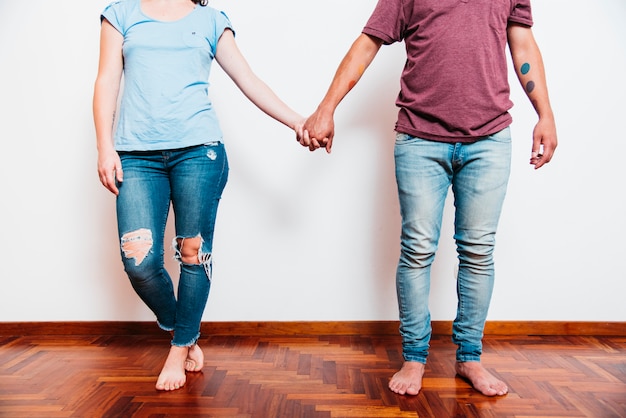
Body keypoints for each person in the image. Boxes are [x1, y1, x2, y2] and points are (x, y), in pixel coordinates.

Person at [300, 0, 557, 397]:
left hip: (489, 140)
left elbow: (522, 44)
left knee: (478, 251)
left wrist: (546, 114)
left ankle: (470, 357)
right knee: (418, 250)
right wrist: (325, 108)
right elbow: (367, 44)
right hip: (420, 139)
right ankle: (414, 357)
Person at [93, 0, 304, 391]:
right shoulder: (120, 13)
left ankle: (177, 349)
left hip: (200, 152)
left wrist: (297, 121)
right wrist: (105, 146)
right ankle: (185, 330)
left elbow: (249, 80)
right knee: (139, 262)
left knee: (193, 253)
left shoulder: (211, 19)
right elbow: (107, 79)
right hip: (136, 156)